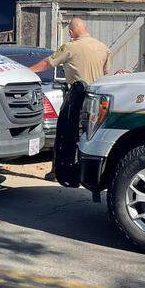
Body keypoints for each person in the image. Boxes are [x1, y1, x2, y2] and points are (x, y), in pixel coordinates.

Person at [28, 18, 111, 183]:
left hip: (76, 98)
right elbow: (107, 75)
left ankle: (58, 171)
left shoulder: (70, 47)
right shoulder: (104, 48)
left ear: (71, 32)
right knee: (91, 135)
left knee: (65, 134)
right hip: (97, 100)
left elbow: (48, 63)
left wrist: (26, 71)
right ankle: (89, 173)